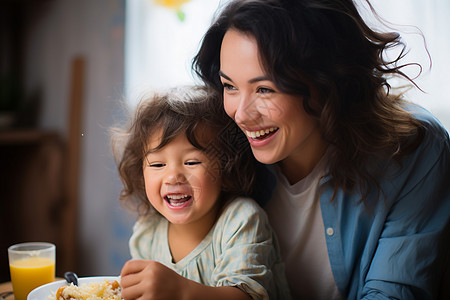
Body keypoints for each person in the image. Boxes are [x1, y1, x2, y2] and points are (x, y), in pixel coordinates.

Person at [192, 0, 450, 299]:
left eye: (265, 89)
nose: (241, 115)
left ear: (327, 80)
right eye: (230, 86)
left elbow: (393, 292)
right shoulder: (218, 150)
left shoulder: (413, 148)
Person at [112, 85, 291, 300]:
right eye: (158, 165)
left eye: (192, 162)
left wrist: (180, 291)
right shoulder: (147, 234)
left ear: (226, 169)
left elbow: (247, 296)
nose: (173, 176)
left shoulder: (241, 221)